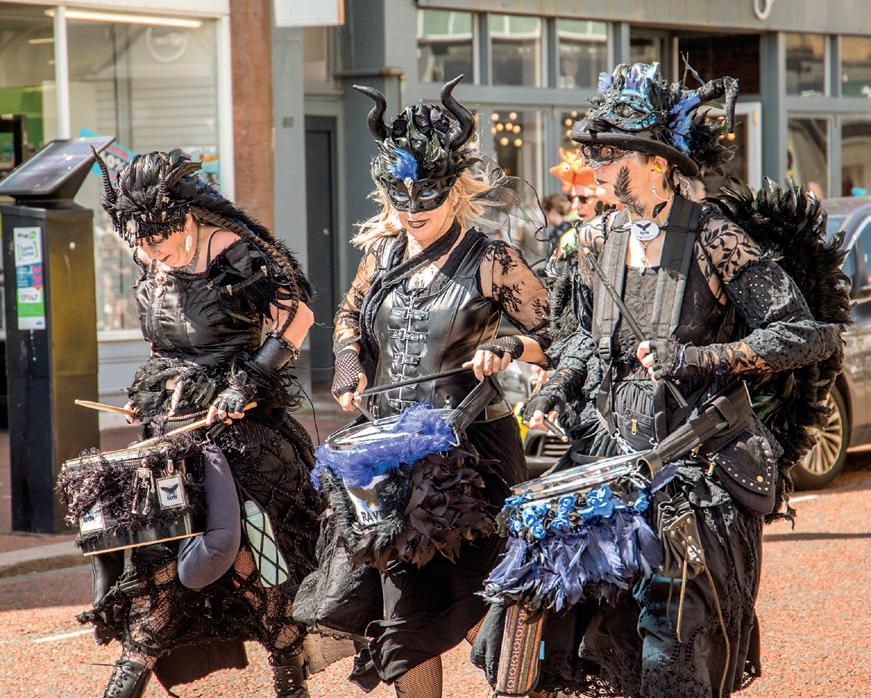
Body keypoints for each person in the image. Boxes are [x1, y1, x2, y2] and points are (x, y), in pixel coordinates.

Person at [475, 62, 847, 697]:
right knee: (528, 626)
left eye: (610, 153)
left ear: (657, 163)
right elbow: (579, 342)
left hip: (695, 469)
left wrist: (697, 358)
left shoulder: (716, 240)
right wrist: (552, 385)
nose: (593, 165)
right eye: (593, 152)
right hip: (608, 460)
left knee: (669, 645)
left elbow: (806, 336)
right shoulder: (591, 240)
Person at [322, 75, 551, 697]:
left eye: (426, 193)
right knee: (405, 621)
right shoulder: (383, 254)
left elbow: (559, 337)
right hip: (391, 455)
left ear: (454, 188)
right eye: (399, 195)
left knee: (488, 604)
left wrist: (510, 348)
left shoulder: (493, 259)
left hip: (473, 455)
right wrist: (346, 361)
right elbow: (348, 316)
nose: (412, 207)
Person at [78, 150, 323, 698]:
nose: (149, 254)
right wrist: (147, 395)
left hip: (241, 443)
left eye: (158, 243)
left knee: (260, 576)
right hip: (170, 442)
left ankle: (292, 681)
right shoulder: (152, 256)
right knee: (157, 576)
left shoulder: (236, 252)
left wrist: (247, 383)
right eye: (141, 244)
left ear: (187, 220)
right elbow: (162, 347)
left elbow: (298, 316)